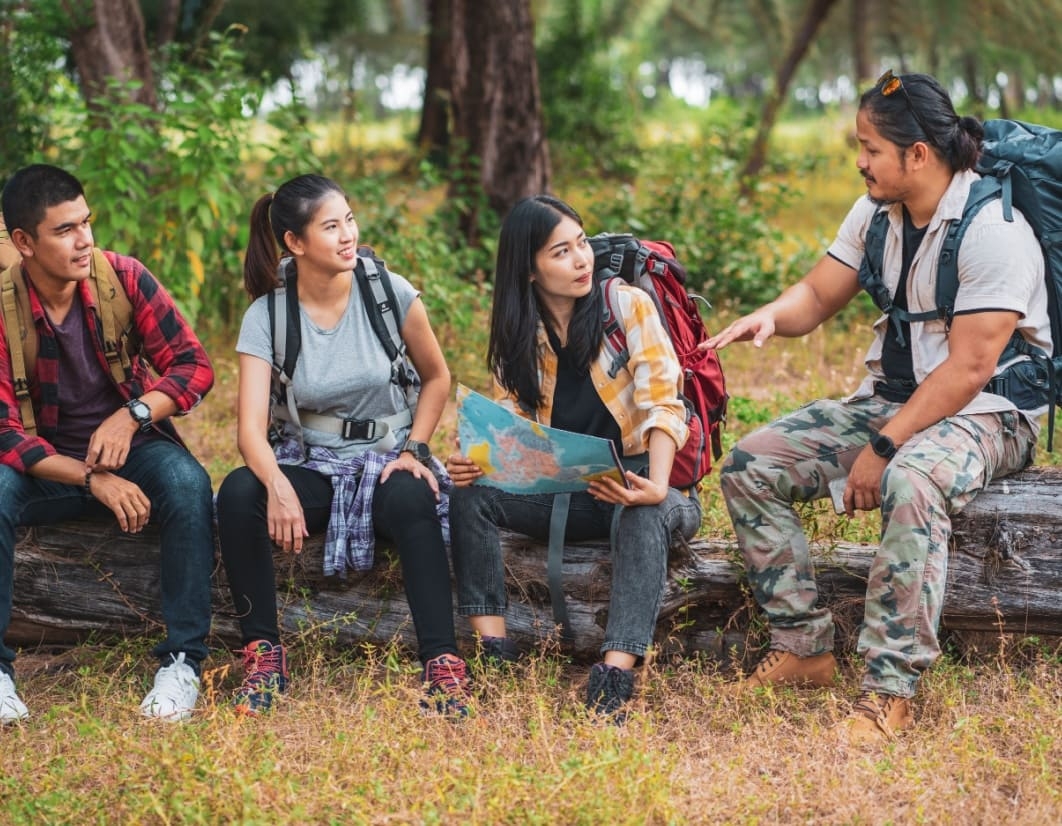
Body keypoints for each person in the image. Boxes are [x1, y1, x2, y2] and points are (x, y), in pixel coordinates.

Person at [706, 71, 1049, 745]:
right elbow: (816, 293)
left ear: (917, 153)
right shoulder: (876, 212)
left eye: (869, 147)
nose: (859, 160)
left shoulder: (994, 231)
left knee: (911, 479)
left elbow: (971, 367)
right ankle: (804, 647)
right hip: (900, 400)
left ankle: (890, 688)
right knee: (750, 465)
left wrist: (884, 447)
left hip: (990, 414)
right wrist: (770, 317)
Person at [215, 174, 469, 716]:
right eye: (331, 226)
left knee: (411, 499)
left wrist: (414, 451)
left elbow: (438, 378)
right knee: (239, 493)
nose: (348, 234)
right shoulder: (269, 315)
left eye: (349, 219)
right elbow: (249, 431)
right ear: (295, 242)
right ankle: (263, 656)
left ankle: (443, 668)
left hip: (385, 461)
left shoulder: (387, 292)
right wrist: (278, 486)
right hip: (311, 462)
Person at [446, 195, 702, 722]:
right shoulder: (523, 331)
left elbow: (663, 402)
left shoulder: (626, 305)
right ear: (530, 269)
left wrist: (654, 483)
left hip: (646, 486)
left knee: (643, 511)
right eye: (561, 252)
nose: (582, 259)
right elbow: (512, 421)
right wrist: (477, 459)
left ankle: (616, 673)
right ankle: (493, 652)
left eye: (581, 243)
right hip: (568, 490)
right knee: (468, 495)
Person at [0, 164, 216, 723]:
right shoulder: (2, 309)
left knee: (188, 484)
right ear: (24, 242)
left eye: (87, 222)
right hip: (44, 463)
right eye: (65, 230)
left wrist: (132, 414)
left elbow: (193, 366)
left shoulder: (122, 277)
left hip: (132, 447)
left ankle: (182, 663)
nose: (85, 239)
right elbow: (3, 431)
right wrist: (92, 478)